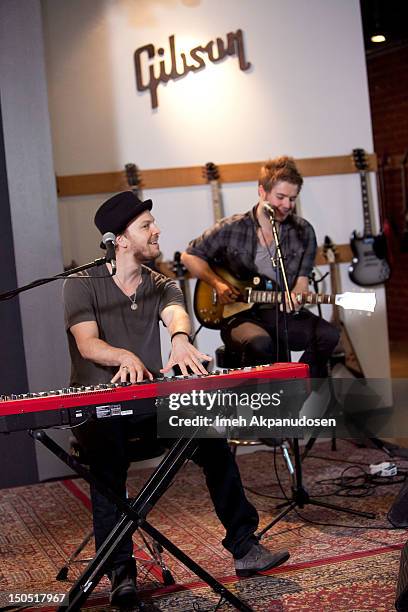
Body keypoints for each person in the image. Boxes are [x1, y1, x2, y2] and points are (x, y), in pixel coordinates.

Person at [63, 191, 290, 610]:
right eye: (146, 225)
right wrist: (125, 356)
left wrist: (181, 340)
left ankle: (243, 546)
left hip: (149, 405)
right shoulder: (80, 285)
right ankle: (121, 571)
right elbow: (88, 343)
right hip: (98, 407)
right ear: (120, 240)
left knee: (212, 437)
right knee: (106, 460)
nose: (157, 230)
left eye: (154, 222)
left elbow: (176, 314)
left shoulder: (161, 283)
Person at [182, 156, 340, 378]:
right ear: (262, 192)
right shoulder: (232, 228)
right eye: (281, 197)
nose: (287, 205)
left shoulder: (304, 231)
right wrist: (217, 284)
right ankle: (258, 403)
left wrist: (298, 293)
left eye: (292, 199)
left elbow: (302, 282)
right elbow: (189, 256)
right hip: (238, 315)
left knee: (328, 335)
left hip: (278, 312)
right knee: (261, 343)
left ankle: (297, 386)